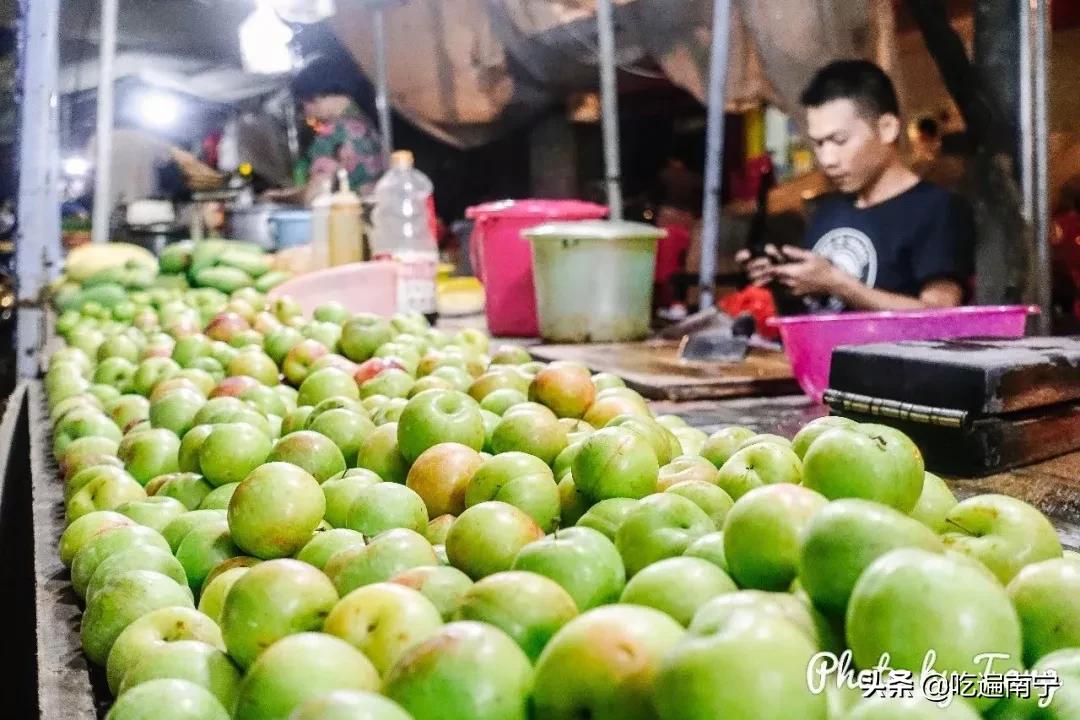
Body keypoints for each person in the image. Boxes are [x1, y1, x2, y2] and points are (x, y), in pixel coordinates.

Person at [739, 60, 973, 312]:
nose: (827, 159)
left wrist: (840, 284)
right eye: (819, 144)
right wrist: (783, 276)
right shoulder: (829, 210)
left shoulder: (937, 208)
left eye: (839, 140)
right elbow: (818, 307)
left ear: (887, 129)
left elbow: (940, 315)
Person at [264, 59, 385, 205]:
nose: (307, 113)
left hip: (345, 220)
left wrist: (276, 197)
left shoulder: (332, 134)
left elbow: (315, 196)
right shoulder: (369, 125)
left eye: (304, 104)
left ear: (315, 97)